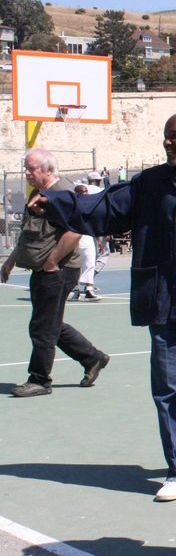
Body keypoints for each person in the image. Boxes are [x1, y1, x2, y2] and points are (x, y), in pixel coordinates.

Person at [28, 112, 176, 502]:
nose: (168, 143)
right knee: (169, 388)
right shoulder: (149, 183)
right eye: (165, 137)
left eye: (175, 137)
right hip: (165, 301)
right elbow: (103, 210)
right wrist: (58, 203)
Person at [1, 150, 109, 398]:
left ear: (48, 170)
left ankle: (40, 379)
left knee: (42, 327)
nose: (27, 173)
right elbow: (29, 233)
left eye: (32, 169)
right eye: (26, 168)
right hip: (43, 268)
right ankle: (93, 358)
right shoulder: (37, 193)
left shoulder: (61, 192)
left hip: (58, 269)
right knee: (49, 323)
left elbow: (75, 231)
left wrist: (51, 261)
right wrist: (10, 262)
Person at [69, 172, 106, 302]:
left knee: (89, 261)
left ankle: (86, 290)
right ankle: (78, 291)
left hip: (87, 235)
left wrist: (99, 237)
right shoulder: (74, 206)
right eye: (83, 193)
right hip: (77, 237)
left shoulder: (85, 205)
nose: (85, 195)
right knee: (79, 264)